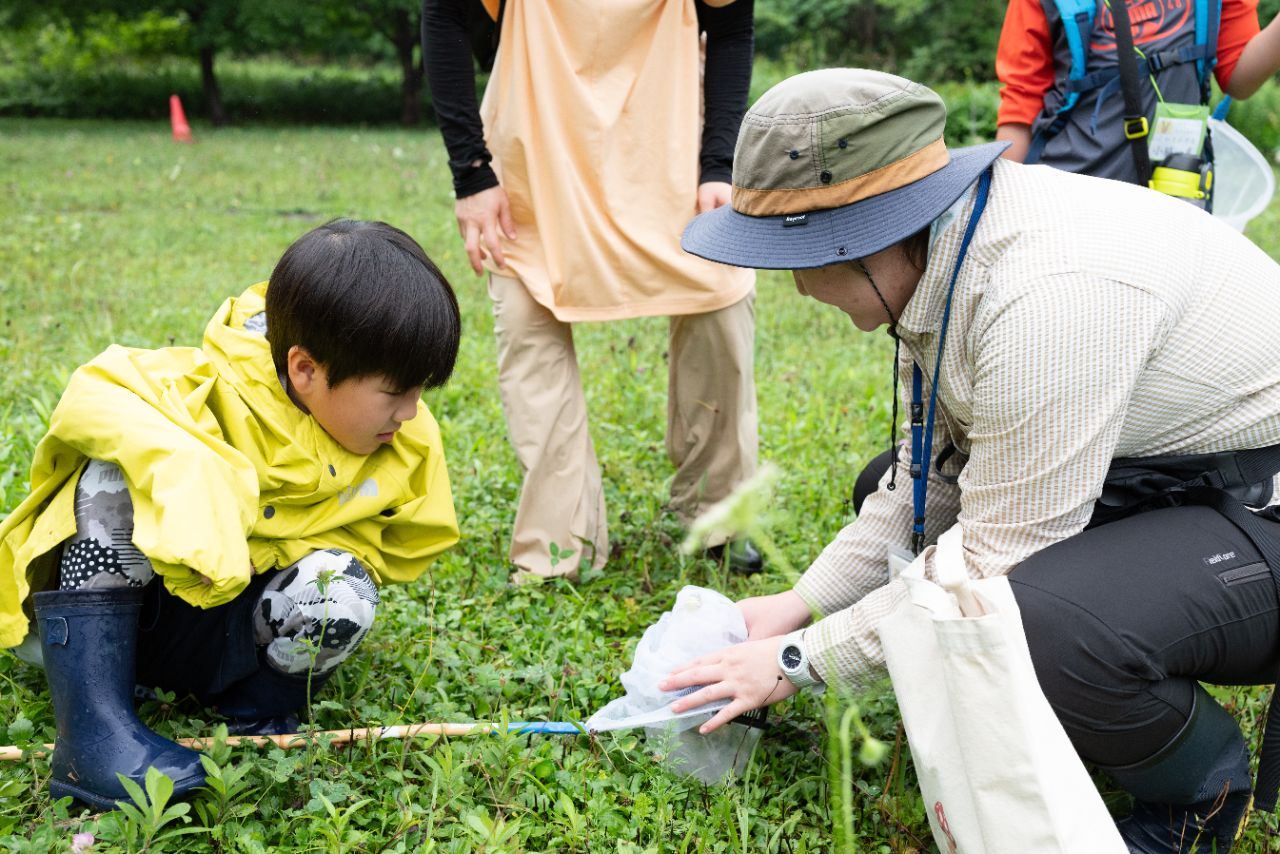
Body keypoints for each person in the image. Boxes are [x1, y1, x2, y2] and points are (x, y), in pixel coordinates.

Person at [663, 68, 1280, 852]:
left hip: (1260, 499)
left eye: (798, 256)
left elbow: (992, 561)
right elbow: (928, 475)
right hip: (1169, 472)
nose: (795, 287)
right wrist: (796, 603)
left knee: (1037, 616)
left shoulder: (1047, 294)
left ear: (869, 235)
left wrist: (795, 661)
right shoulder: (949, 250)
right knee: (892, 506)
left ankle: (1198, 791)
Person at [0, 220, 462, 810]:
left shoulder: (406, 439)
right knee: (111, 479)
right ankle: (96, 728)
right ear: (305, 370)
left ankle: (257, 711)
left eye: (421, 389)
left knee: (342, 588)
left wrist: (264, 550)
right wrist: (195, 472)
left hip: (241, 627)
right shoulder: (207, 389)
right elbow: (91, 397)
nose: (411, 410)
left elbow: (393, 551)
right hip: (150, 619)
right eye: (395, 390)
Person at [421, 0, 762, 581]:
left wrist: (718, 164)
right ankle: (561, 545)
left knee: (721, 304)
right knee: (530, 324)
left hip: (668, 142)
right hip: (538, 142)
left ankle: (718, 515)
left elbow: (731, 26)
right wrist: (472, 171)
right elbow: (445, 14)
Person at [995, 0, 1280, 187]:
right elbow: (1021, 105)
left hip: (1175, 192)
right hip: (1068, 193)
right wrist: (999, 205)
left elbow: (1238, 80)